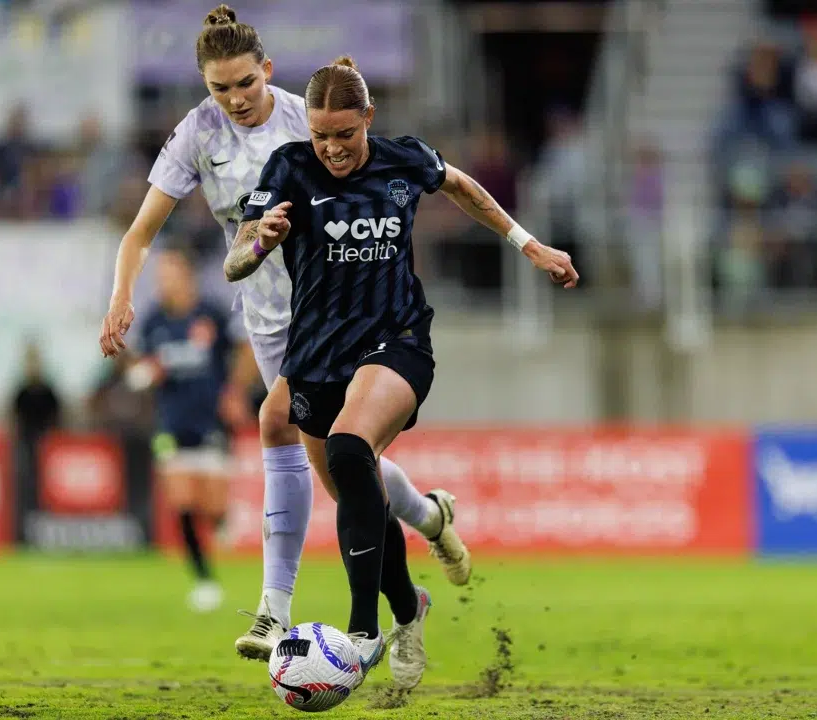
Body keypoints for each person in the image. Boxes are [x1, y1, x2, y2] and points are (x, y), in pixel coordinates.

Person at [98, 4, 472, 661]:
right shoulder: (197, 134)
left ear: (266, 70)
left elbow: (380, 181)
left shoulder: (311, 118)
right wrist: (121, 296)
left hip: (335, 318)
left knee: (280, 425)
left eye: (246, 82)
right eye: (221, 87)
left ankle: (275, 613)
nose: (237, 98)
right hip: (267, 324)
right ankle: (429, 521)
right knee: (349, 476)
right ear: (204, 86)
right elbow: (140, 232)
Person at [224, 57, 578, 689]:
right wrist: (261, 240)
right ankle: (409, 608)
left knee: (350, 449)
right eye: (319, 134)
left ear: (369, 119)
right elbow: (235, 264)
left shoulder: (404, 159)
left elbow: (465, 188)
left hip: (397, 339)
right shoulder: (287, 169)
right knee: (360, 498)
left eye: (345, 134)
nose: (331, 148)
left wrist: (530, 244)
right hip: (316, 356)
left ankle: (361, 638)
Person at [131, 249, 248, 612]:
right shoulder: (153, 321)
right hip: (171, 422)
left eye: (169, 273)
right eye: (159, 275)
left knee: (211, 507)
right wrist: (145, 373)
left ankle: (222, 519)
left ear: (187, 276)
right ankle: (204, 580)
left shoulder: (210, 313)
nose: (162, 281)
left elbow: (245, 350)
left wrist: (235, 391)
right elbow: (140, 363)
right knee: (182, 502)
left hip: (211, 421)